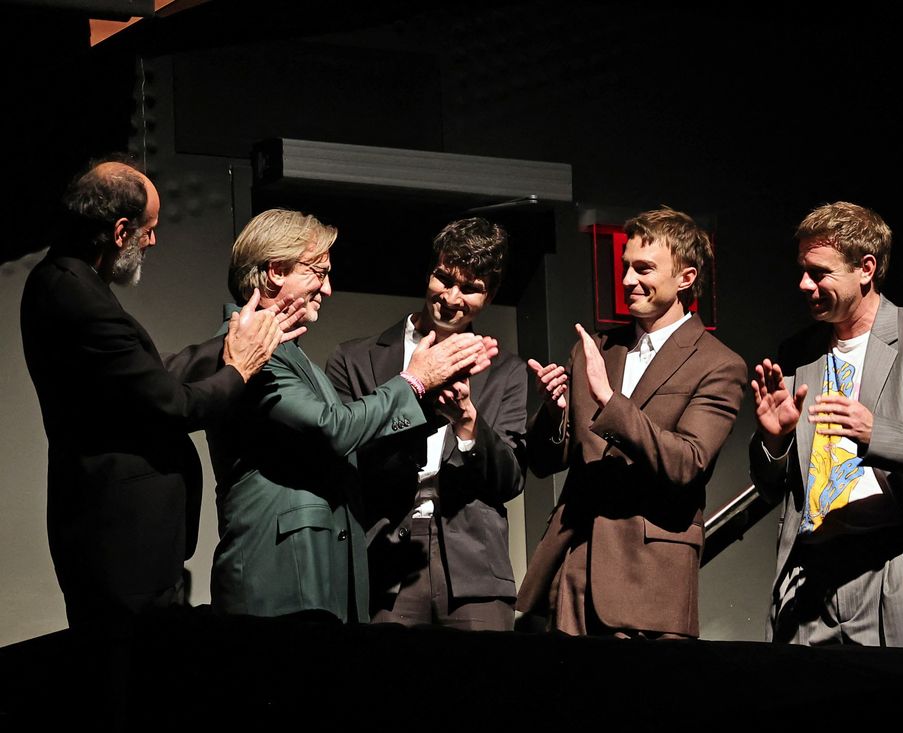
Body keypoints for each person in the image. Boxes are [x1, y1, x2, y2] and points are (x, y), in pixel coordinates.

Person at [20, 159, 291, 629]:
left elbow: (148, 376)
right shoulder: (77, 296)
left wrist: (233, 341)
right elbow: (175, 406)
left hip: (119, 535)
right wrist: (240, 368)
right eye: (148, 230)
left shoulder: (68, 282)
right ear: (119, 231)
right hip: (121, 539)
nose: (153, 241)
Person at [203, 209, 497, 622]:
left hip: (310, 571)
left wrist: (433, 401)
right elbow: (333, 430)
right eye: (319, 273)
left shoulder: (288, 354)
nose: (328, 289)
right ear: (276, 272)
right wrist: (414, 381)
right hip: (278, 574)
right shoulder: (246, 350)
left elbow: (347, 445)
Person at [750, 201, 903, 648]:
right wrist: (774, 440)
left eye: (819, 273)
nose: (804, 284)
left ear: (866, 268)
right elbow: (770, 488)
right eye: (802, 271)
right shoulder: (798, 353)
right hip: (811, 576)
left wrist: (877, 435)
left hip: (893, 567)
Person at [517, 208, 746, 638]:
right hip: (571, 570)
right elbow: (546, 462)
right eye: (625, 267)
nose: (626, 280)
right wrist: (554, 410)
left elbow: (688, 462)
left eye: (643, 269)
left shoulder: (718, 364)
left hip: (648, 583)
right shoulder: (597, 350)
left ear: (686, 277)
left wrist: (610, 401)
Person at [326, 218, 526, 630]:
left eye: (470, 288)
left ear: (490, 296)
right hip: (386, 557)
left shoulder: (506, 371)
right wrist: (421, 405)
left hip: (475, 565)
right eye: (444, 279)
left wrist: (467, 420)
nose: (451, 298)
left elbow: (510, 480)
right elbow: (347, 461)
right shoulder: (354, 360)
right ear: (429, 271)